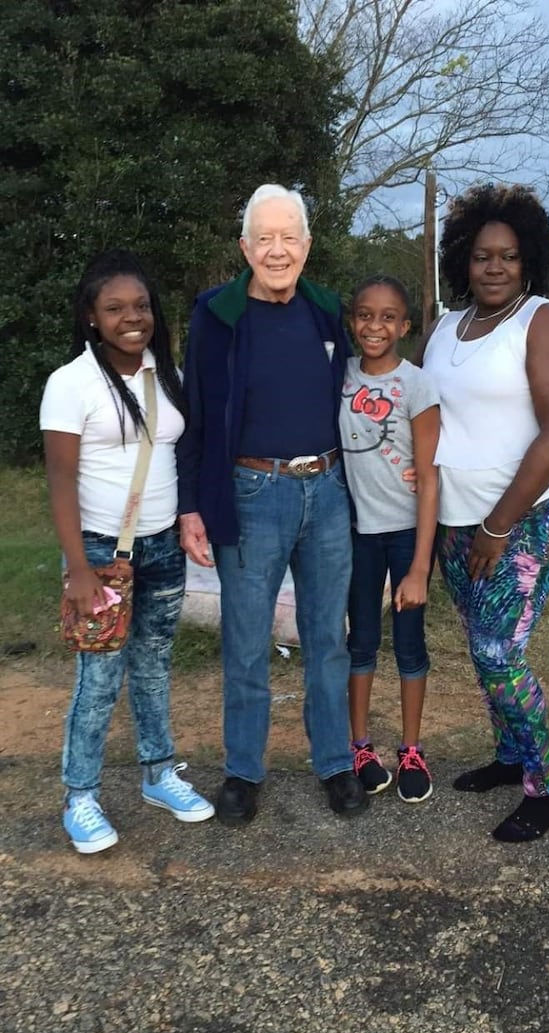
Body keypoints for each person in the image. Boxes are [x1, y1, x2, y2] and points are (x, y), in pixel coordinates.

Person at [177, 184, 368, 825]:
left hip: (328, 490)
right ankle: (243, 771)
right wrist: (191, 506)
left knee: (326, 638)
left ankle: (336, 764)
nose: (278, 250)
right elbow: (195, 419)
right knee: (247, 640)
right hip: (252, 493)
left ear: (308, 247)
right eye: (265, 238)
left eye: (290, 238)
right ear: (245, 247)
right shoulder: (215, 315)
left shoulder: (326, 310)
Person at [415, 183, 549, 842]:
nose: (494, 267)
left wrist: (498, 525)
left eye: (509, 256)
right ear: (463, 258)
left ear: (529, 261)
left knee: (497, 653)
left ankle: (546, 786)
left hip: (526, 518)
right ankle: (510, 755)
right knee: (482, 645)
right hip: (457, 523)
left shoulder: (544, 322)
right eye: (483, 255)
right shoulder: (444, 328)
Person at [40, 249, 215, 854]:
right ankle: (80, 796)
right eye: (114, 308)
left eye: (140, 306)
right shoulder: (71, 384)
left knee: (154, 664)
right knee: (99, 675)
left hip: (162, 543)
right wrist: (78, 571)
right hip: (98, 552)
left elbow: (179, 452)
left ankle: (159, 773)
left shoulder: (166, 375)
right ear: (91, 316)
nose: (131, 317)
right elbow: (60, 479)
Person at [339, 275, 440, 802]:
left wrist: (421, 565)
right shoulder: (341, 373)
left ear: (404, 325)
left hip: (404, 537)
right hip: (355, 535)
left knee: (408, 646)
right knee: (360, 644)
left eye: (387, 317)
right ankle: (359, 746)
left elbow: (428, 478)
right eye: (364, 314)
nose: (373, 326)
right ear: (352, 319)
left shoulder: (417, 385)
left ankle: (411, 749)